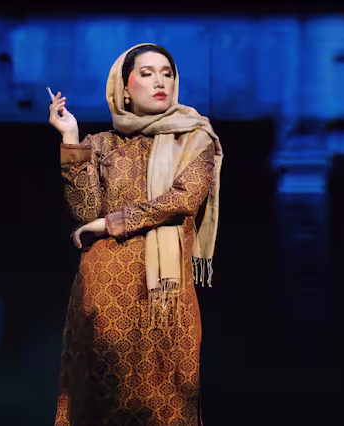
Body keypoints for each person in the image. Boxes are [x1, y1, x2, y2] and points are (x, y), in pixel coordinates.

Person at [49, 43, 223, 426]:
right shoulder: (98, 145)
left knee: (166, 406)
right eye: (146, 73)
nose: (159, 81)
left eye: (167, 73)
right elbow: (83, 211)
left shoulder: (195, 139)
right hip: (102, 296)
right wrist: (71, 138)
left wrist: (109, 224)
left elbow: (181, 201)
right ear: (124, 88)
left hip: (164, 300)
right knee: (98, 405)